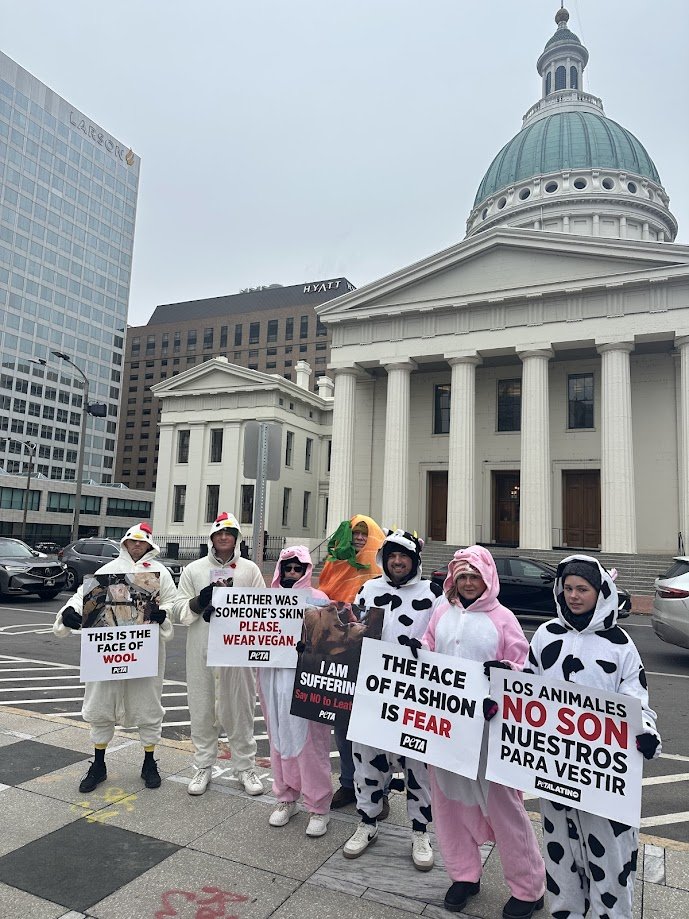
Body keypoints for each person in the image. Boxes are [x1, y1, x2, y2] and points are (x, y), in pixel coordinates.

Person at [525, 555, 661, 919]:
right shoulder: (544, 635)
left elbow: (638, 701)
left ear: (600, 591)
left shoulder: (621, 645)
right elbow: (525, 690)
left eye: (582, 589)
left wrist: (646, 734)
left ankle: (610, 914)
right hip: (554, 767)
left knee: (610, 856)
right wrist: (499, 705)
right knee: (561, 852)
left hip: (603, 778)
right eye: (567, 588)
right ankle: (565, 911)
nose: (573, 596)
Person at [423, 546, 545, 919]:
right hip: (445, 729)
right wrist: (415, 653)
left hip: (490, 731)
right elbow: (429, 648)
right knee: (448, 804)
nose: (469, 583)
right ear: (453, 580)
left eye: (474, 576)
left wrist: (503, 670)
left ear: (487, 578)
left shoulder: (503, 618)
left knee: (505, 807)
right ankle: (463, 874)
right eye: (462, 577)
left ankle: (529, 887)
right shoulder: (441, 612)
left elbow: (524, 668)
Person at [344, 529, 442, 870]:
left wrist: (427, 651)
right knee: (367, 762)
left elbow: (442, 640)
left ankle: (420, 829)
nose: (398, 561)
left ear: (414, 560)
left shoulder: (433, 594)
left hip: (415, 696)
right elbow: (349, 631)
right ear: (384, 558)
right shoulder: (369, 589)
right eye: (392, 555)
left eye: (404, 556)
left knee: (419, 766)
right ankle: (367, 821)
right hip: (372, 694)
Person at [53, 522, 175, 793]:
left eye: (142, 542)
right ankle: (98, 764)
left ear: (149, 545)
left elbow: (171, 602)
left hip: (144, 650)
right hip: (107, 650)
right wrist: (68, 614)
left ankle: (149, 761)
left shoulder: (160, 574)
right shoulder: (108, 570)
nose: (136, 546)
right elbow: (81, 597)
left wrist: (162, 615)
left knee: (148, 704)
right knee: (101, 704)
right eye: (132, 541)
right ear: (124, 543)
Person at [173, 512, 265, 797]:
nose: (224, 538)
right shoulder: (194, 569)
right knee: (201, 710)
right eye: (219, 533)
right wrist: (200, 602)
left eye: (229, 533)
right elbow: (177, 609)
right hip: (202, 649)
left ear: (236, 538)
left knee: (240, 711)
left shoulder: (249, 570)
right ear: (212, 538)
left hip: (236, 654)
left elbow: (263, 609)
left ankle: (245, 767)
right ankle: (203, 765)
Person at [258, 546, 333, 837]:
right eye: (287, 568)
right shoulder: (267, 600)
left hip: (305, 680)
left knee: (310, 742)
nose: (291, 574)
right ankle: (285, 796)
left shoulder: (318, 599)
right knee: (279, 737)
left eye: (297, 569)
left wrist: (309, 645)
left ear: (306, 571)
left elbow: (330, 644)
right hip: (272, 678)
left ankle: (318, 805)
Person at [317, 513, 386, 808]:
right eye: (354, 534)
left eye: (364, 534)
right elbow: (320, 600)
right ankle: (348, 783)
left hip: (371, 657)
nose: (358, 538)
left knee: (372, 728)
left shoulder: (379, 571)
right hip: (340, 654)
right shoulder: (335, 563)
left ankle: (378, 792)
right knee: (343, 724)